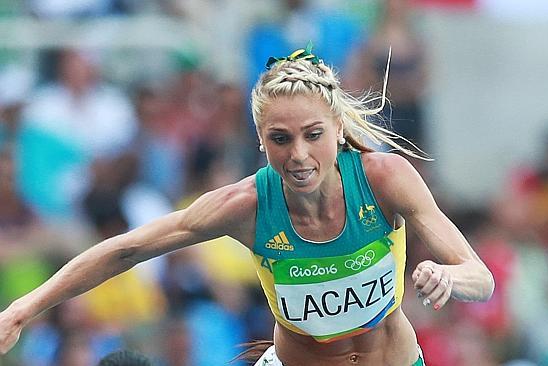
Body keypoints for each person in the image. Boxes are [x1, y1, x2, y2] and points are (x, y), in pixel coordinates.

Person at [0, 44, 494, 365]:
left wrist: (451, 277)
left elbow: (481, 278)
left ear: (338, 130)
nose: (298, 156)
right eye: (280, 139)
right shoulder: (246, 205)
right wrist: (23, 310)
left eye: (313, 135)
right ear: (260, 140)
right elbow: (126, 250)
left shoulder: (385, 180)